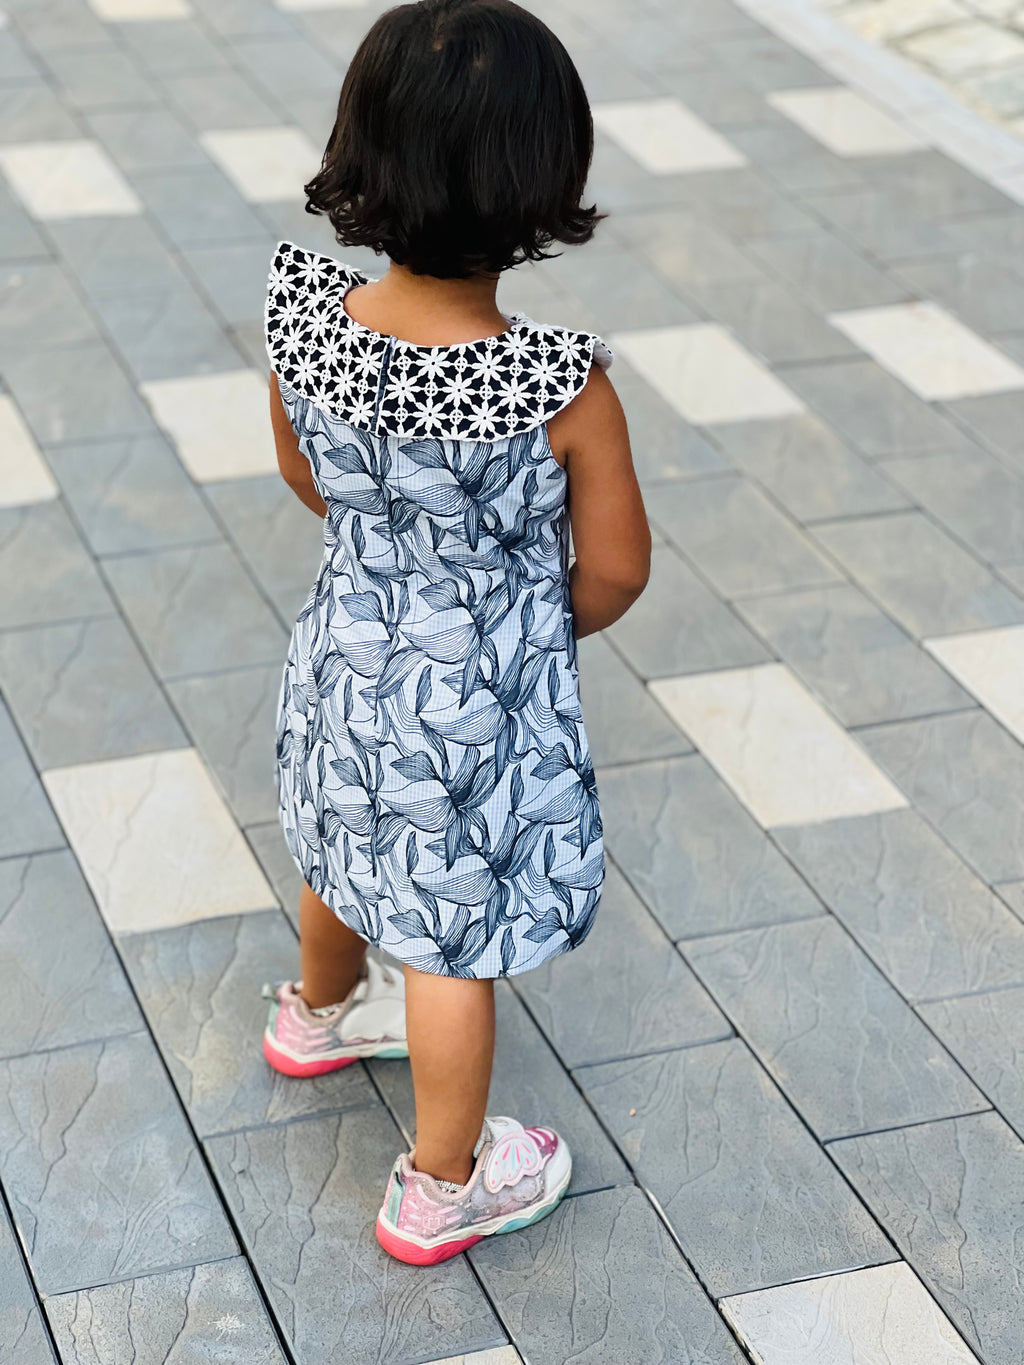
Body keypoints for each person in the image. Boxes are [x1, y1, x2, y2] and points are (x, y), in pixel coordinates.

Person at [262, 0, 650, 1266]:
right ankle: (444, 1182)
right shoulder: (557, 387)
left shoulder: (305, 322)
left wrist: (389, 560)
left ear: (358, 149)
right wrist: (526, 622)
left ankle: (319, 1014)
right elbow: (617, 570)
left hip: (346, 650)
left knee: (340, 833)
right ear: (544, 180)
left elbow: (308, 478)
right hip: (469, 701)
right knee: (451, 936)